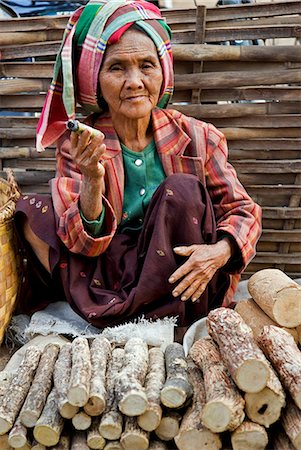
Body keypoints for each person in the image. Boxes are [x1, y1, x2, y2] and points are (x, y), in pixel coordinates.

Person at [14, 0, 261, 337]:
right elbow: (83, 246)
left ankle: (157, 317)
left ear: (163, 72)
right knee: (33, 211)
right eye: (117, 68)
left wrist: (218, 253)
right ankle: (117, 311)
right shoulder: (80, 143)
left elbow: (244, 210)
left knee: (183, 190)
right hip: (112, 276)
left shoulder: (199, 137)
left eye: (147, 65)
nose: (134, 81)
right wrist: (92, 180)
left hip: (182, 279)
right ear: (95, 80)